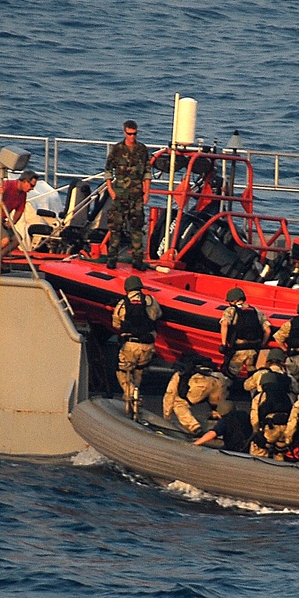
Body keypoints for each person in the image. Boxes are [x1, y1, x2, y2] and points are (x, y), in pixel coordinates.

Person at [111, 274, 162, 421]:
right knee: (138, 372)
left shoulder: (122, 303)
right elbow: (157, 315)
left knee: (123, 372)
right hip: (147, 346)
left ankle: (131, 394)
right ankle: (136, 394)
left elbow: (116, 324)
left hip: (130, 345)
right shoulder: (151, 301)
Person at [105, 120, 151, 270]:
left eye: (135, 134)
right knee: (116, 227)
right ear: (125, 132)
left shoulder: (142, 149)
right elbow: (108, 170)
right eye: (130, 134)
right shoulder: (117, 149)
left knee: (137, 228)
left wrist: (147, 192)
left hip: (136, 194)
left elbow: (147, 172)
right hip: (120, 194)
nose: (132, 136)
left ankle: (137, 260)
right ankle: (112, 258)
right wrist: (111, 190)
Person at [0, 169, 38, 270]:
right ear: (25, 181)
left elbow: (19, 210)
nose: (32, 189)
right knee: (4, 240)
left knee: (17, 238)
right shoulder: (7, 185)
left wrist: (12, 222)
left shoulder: (22, 194)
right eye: (31, 185)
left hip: (0, 219)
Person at [162, 355, 229, 436]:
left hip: (200, 382)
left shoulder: (181, 372)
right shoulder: (209, 368)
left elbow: (170, 393)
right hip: (219, 378)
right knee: (219, 406)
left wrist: (166, 416)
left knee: (179, 404)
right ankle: (221, 422)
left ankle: (195, 428)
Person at [219, 287, 271, 379]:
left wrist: (223, 344)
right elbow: (268, 330)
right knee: (253, 375)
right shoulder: (256, 311)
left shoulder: (231, 310)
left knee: (229, 374)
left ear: (233, 301)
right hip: (254, 350)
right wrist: (262, 344)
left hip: (238, 350)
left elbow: (224, 324)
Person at [249, 370, 294, 460]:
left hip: (270, 428)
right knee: (280, 454)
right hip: (285, 427)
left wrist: (256, 431)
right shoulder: (287, 395)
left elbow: (254, 416)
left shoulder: (261, 396)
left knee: (258, 452)